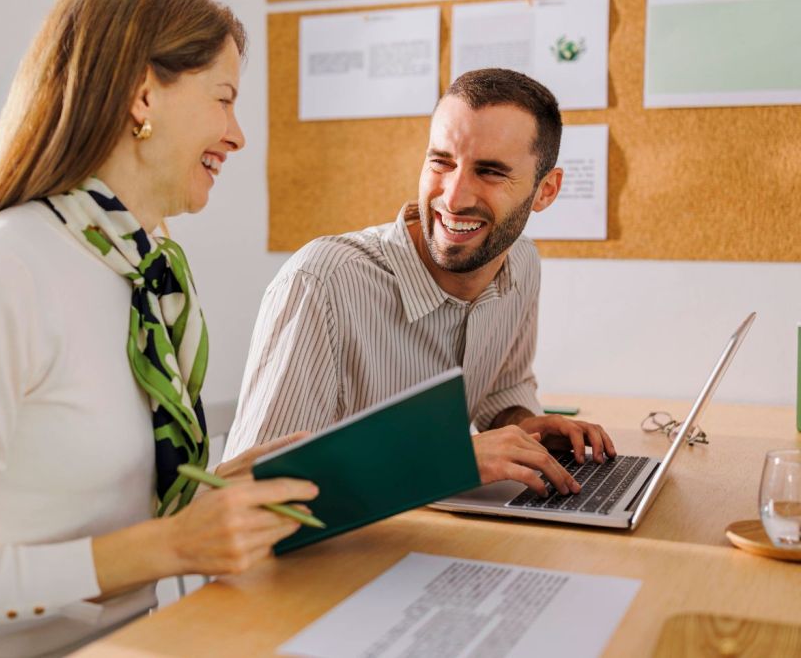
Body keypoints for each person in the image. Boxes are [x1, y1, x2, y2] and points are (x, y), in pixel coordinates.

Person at [0, 0, 318, 658]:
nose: (237, 136)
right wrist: (169, 544)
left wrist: (211, 501)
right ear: (143, 96)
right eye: (223, 99)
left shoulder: (143, 269)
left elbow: (82, 510)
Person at [225, 68, 616, 496]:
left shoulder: (521, 263)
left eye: (489, 172)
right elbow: (253, 491)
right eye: (441, 162)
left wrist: (524, 428)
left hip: (434, 535)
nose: (453, 197)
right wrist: (447, 458)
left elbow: (502, 389)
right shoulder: (321, 284)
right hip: (329, 557)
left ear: (545, 191)